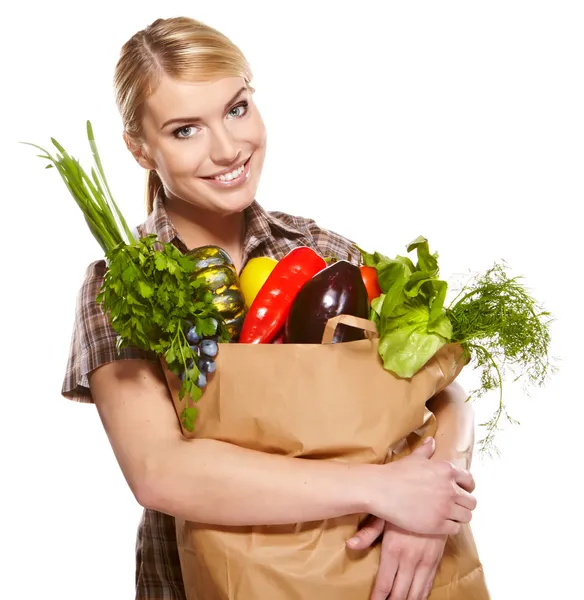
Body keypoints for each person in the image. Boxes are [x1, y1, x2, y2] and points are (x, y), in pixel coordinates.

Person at [62, 16, 477, 600]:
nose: (228, 149)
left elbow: (441, 391)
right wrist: (381, 491)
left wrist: (433, 503)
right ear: (139, 149)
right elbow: (160, 472)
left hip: (359, 567)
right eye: (186, 130)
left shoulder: (319, 252)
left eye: (236, 108)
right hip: (207, 575)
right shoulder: (122, 287)